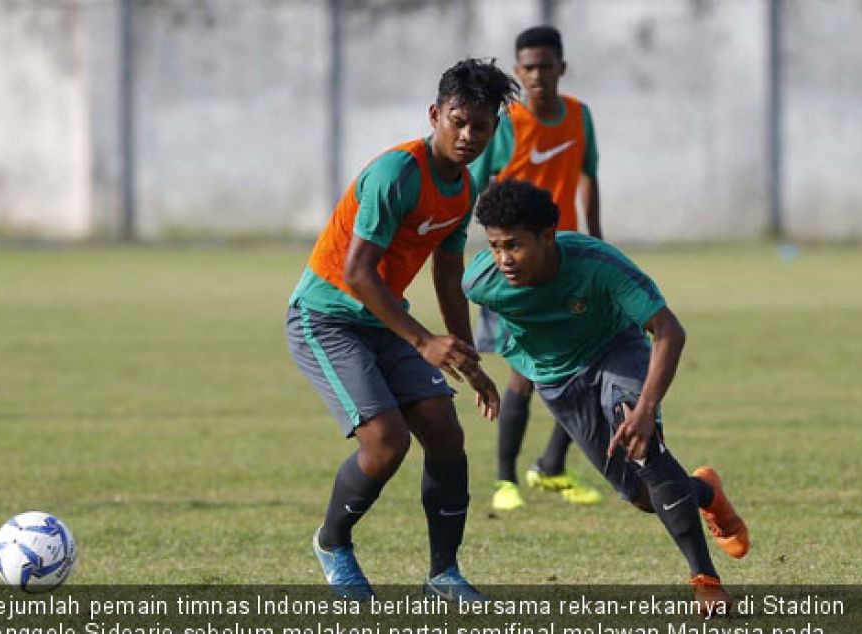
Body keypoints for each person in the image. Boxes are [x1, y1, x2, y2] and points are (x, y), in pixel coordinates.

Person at [286, 58, 517, 600]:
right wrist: (423, 340)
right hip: (327, 318)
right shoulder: (398, 173)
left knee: (444, 431)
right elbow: (357, 273)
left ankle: (443, 573)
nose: (467, 135)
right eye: (457, 121)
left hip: (383, 319)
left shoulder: (462, 190)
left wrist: (468, 357)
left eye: (479, 127)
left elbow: (448, 270)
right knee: (386, 443)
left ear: (492, 130)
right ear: (435, 114)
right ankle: (333, 542)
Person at [463, 179, 749, 607]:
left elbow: (668, 330)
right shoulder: (481, 282)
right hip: (557, 383)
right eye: (495, 245)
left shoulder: (597, 264)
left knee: (642, 444)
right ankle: (705, 492)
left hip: (615, 350)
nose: (504, 258)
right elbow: (495, 333)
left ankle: (705, 581)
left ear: (547, 236)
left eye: (515, 246)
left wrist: (646, 408)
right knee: (641, 496)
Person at [469, 25, 604, 511]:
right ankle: (506, 481)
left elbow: (588, 173)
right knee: (524, 372)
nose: (537, 76)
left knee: (588, 366)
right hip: (518, 270)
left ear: (561, 68)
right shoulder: (505, 124)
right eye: (527, 68)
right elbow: (476, 186)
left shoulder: (579, 117)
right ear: (517, 72)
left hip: (566, 263)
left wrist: (596, 238)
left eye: (546, 66)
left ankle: (550, 466)